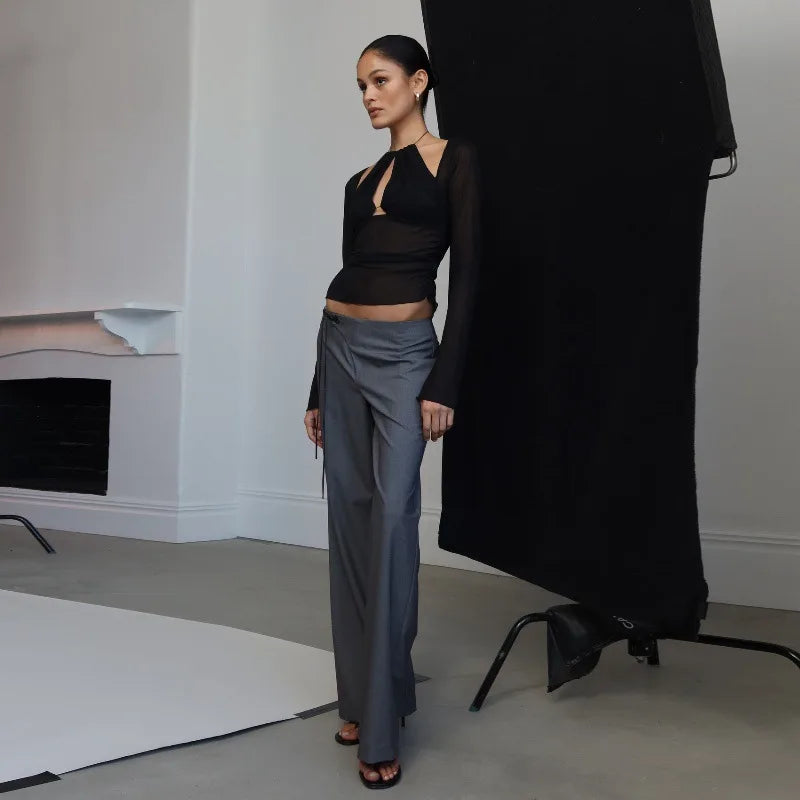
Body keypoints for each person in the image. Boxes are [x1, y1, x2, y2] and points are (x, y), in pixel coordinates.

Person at [302, 34, 481, 789]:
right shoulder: (359, 179)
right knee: (348, 521)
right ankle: (360, 697)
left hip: (406, 356)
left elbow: (471, 278)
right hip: (337, 348)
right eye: (360, 86)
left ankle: (382, 719)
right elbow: (346, 272)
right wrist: (316, 388)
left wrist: (443, 382)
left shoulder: (456, 163)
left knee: (393, 522)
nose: (370, 95)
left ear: (419, 81)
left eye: (380, 80)